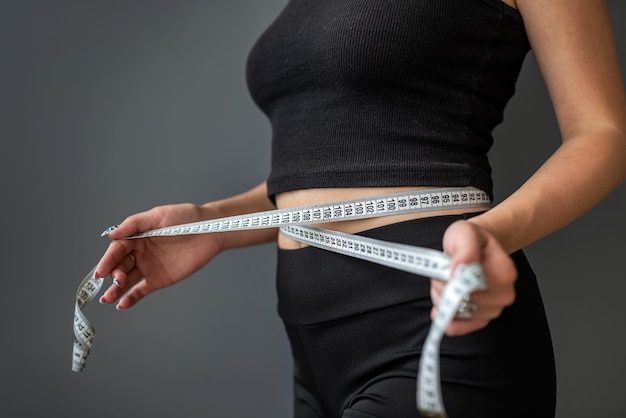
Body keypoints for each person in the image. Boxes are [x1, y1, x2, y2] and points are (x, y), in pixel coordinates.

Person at [94, 0, 626, 417]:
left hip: (434, 320)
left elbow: (603, 132)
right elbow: (333, 168)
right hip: (311, 352)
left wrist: (493, 232)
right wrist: (213, 222)